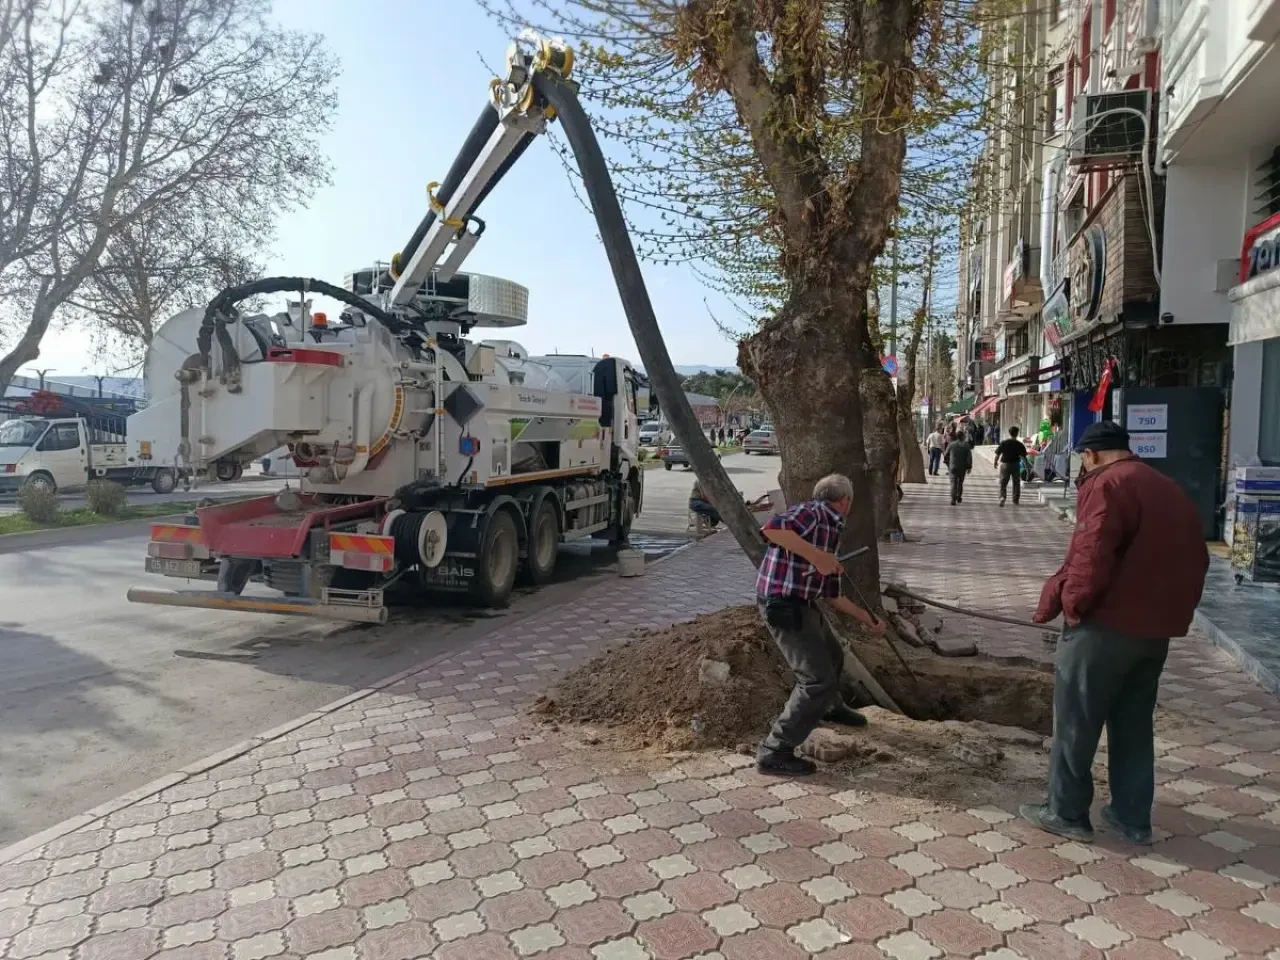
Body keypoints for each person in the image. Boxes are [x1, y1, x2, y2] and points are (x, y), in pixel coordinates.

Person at [1022, 422, 1209, 845]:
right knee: (1133, 724)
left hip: (1105, 628)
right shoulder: (1168, 488)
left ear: (1091, 455)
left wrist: (1073, 606)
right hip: (1153, 634)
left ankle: (1066, 812)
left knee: (1075, 720)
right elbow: (1198, 559)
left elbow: (1091, 553)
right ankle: (1131, 817)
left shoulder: (1109, 484)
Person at [755, 474, 885, 777]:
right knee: (815, 679)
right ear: (845, 501)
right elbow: (771, 529)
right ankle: (774, 751)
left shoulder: (832, 527)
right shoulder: (813, 513)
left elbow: (832, 595)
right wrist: (817, 556)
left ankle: (830, 707)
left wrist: (868, 619)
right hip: (782, 604)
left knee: (834, 654)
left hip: (802, 601)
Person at [994, 426, 1029, 506]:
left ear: (1009, 433)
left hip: (1005, 465)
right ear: (1017, 434)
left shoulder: (1004, 443)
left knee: (1003, 483)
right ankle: (1015, 499)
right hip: (1016, 465)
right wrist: (1027, 469)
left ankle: (1002, 497)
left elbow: (997, 454)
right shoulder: (1019, 444)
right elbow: (1024, 458)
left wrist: (995, 462)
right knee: (1016, 483)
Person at [944, 431, 972, 504]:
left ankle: (953, 498)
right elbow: (969, 457)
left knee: (953, 482)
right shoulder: (966, 445)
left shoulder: (951, 444)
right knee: (960, 482)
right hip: (962, 467)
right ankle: (959, 496)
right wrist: (969, 467)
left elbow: (945, 455)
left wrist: (948, 464)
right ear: (962, 436)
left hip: (953, 466)